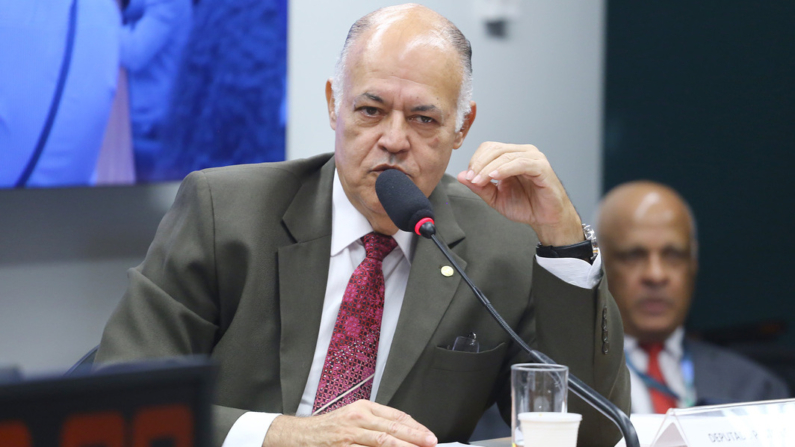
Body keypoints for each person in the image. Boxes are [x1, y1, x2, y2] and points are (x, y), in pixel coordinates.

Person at [96, 4, 630, 447]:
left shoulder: (499, 248)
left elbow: (597, 433)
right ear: (335, 105)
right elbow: (118, 403)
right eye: (371, 110)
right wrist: (285, 436)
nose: (395, 140)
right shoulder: (225, 212)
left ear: (461, 127)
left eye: (423, 119)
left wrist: (563, 244)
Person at [598, 181, 789, 414]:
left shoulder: (757, 392)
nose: (655, 275)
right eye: (633, 255)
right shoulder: (565, 384)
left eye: (673, 255)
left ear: (693, 264)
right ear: (600, 265)